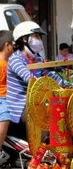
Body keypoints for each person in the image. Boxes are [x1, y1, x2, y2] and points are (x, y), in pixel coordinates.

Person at [8, 22, 63, 137]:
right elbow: (30, 79)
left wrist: (66, 84)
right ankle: (44, 151)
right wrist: (48, 86)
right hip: (20, 105)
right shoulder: (15, 59)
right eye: (36, 36)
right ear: (25, 39)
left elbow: (48, 75)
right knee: (44, 120)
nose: (40, 40)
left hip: (37, 101)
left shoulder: (37, 59)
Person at [0, 31, 13, 160]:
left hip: (9, 98)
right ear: (7, 45)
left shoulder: (10, 64)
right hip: (2, 99)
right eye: (13, 44)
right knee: (5, 116)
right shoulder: (1, 64)